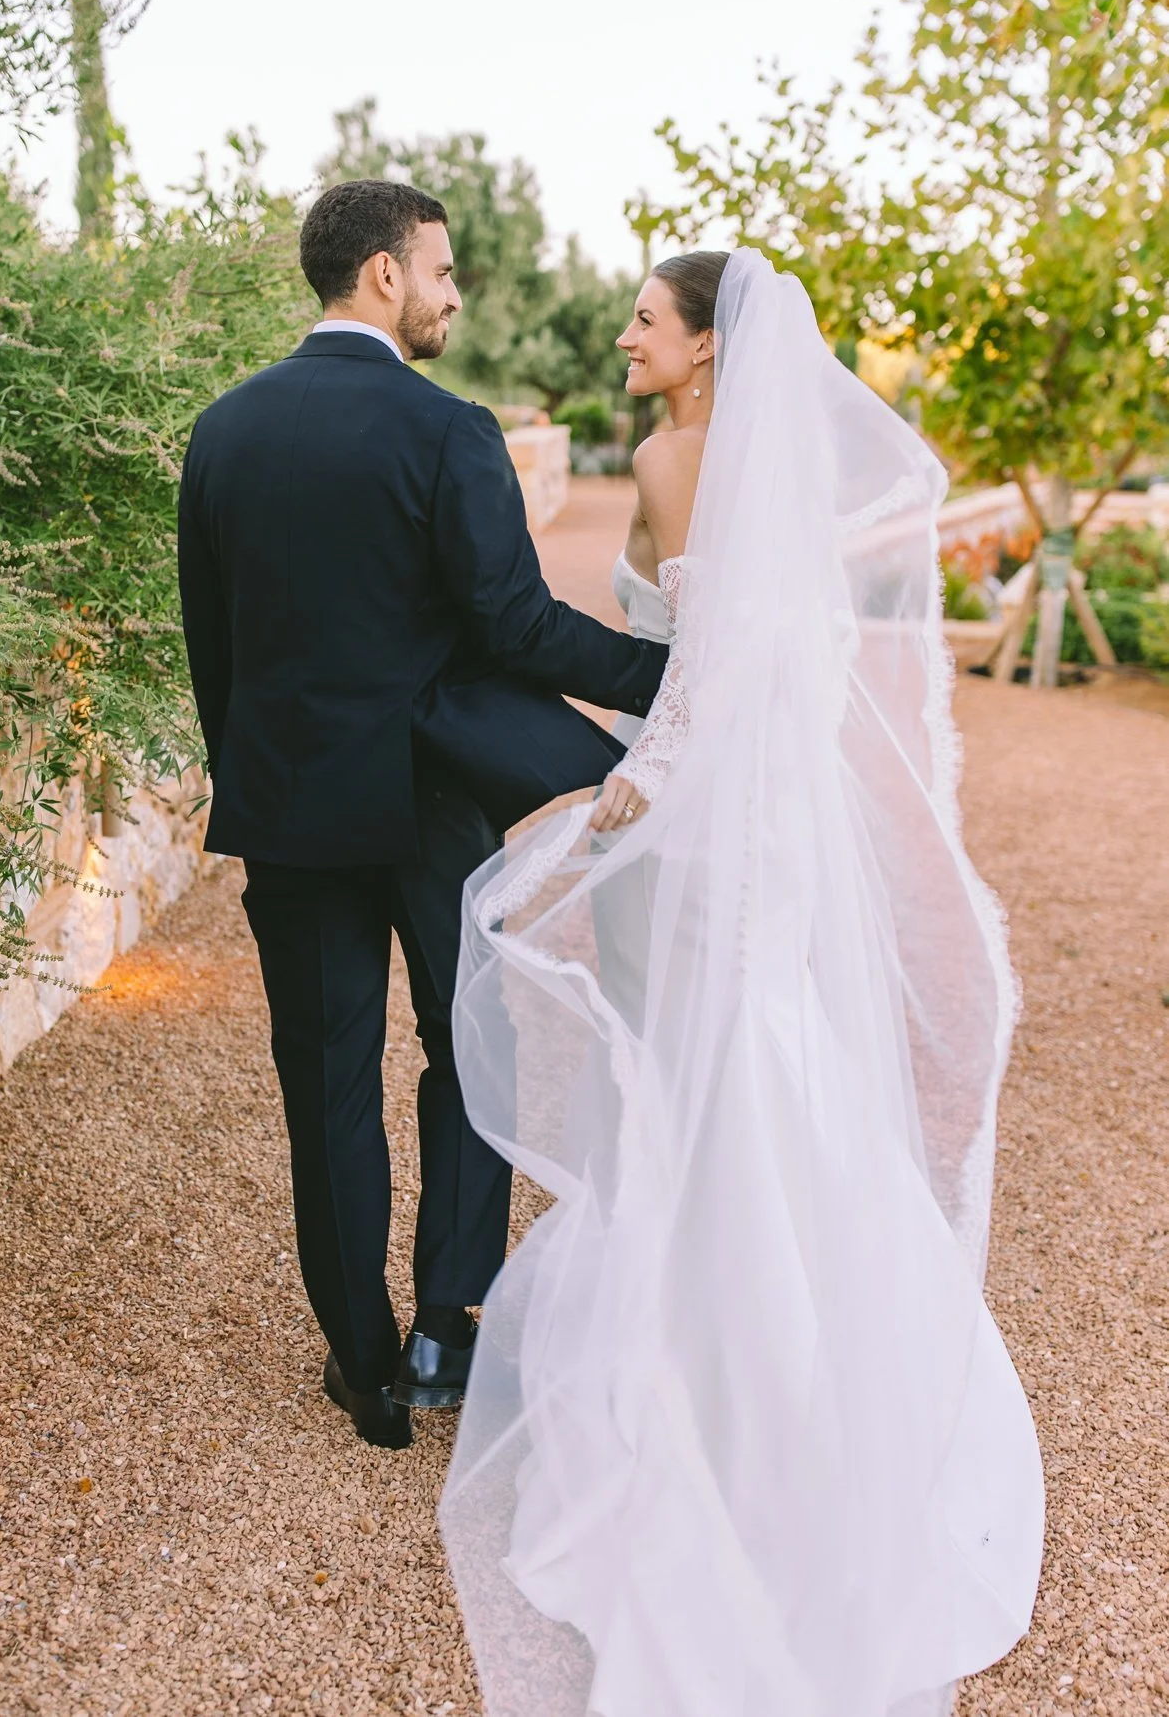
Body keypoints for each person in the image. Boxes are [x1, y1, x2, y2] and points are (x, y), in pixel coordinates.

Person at [440, 249, 1045, 1715]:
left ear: (708, 346)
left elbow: (704, 663)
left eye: (648, 317)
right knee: (747, 1056)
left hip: (699, 815)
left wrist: (624, 794)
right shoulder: (747, 467)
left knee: (707, 1067)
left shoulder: (668, 458)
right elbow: (770, 650)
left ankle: (732, 1405)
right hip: (755, 807)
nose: (626, 333)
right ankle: (823, 1382)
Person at [177, 181, 667, 1452]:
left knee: (325, 1085)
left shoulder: (221, 434)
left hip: (288, 816)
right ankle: (448, 1326)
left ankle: (363, 1361)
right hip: (426, 808)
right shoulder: (447, 431)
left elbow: (212, 654)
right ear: (385, 276)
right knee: (466, 1061)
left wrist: (259, 779)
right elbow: (513, 624)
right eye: (443, 270)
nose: (454, 294)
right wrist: (667, 678)